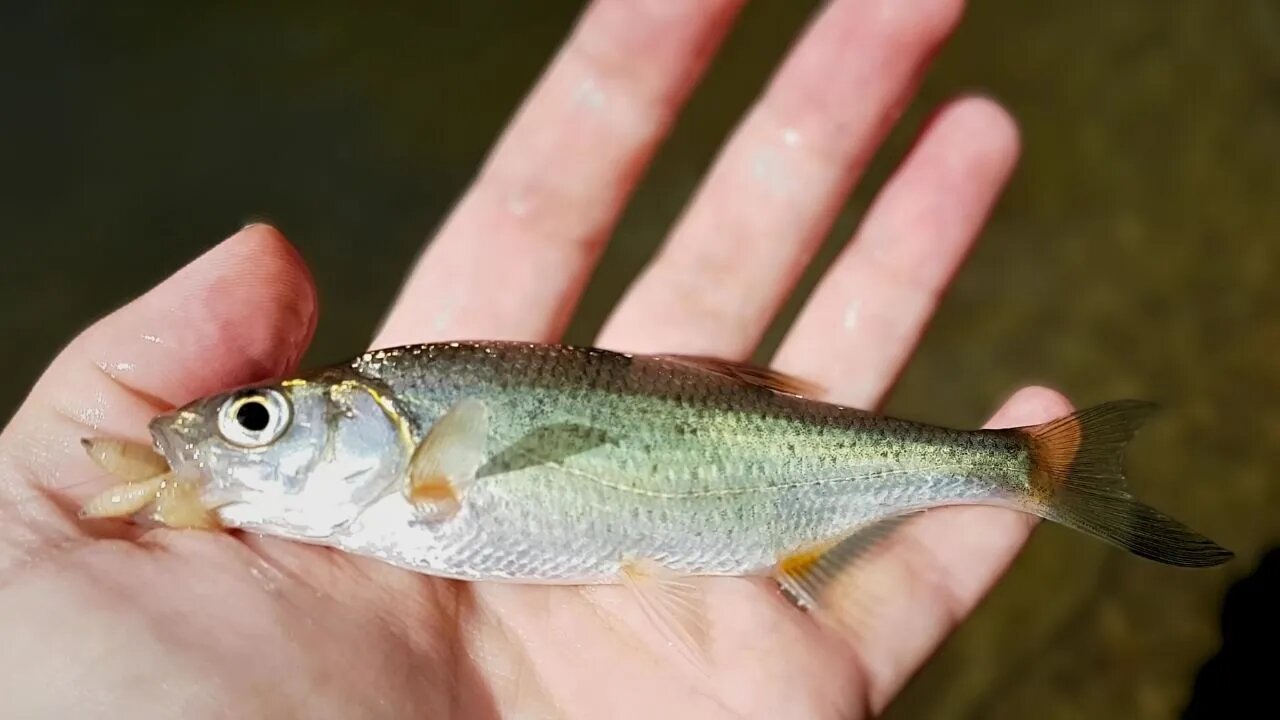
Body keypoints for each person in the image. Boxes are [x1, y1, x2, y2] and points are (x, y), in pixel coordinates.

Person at [0, 0, 1071, 717]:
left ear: (368, 421)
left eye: (255, 420)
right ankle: (1016, 466)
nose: (230, 434)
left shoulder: (412, 452)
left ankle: (1021, 465)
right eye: (250, 419)